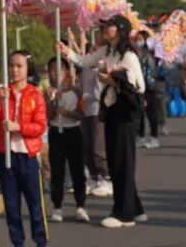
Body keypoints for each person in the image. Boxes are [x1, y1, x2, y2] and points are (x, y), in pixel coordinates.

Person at [57, 14, 147, 229]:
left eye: (109, 26)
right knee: (118, 159)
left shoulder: (128, 55)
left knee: (121, 162)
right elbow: (85, 61)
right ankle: (135, 208)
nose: (105, 29)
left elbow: (139, 86)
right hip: (113, 112)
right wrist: (66, 52)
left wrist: (112, 79)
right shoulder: (108, 52)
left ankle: (124, 214)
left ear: (121, 29)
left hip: (125, 115)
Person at [0, 51, 49, 246]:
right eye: (11, 65)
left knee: (35, 206)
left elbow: (40, 127)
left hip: (28, 158)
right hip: (6, 158)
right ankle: (17, 243)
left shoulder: (35, 95)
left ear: (27, 69)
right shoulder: (1, 94)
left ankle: (41, 242)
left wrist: (18, 127)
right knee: (11, 207)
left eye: (19, 66)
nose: (14, 70)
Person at [68, 28, 112, 197]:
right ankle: (94, 178)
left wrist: (86, 96)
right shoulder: (87, 63)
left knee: (97, 146)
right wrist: (74, 39)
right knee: (86, 146)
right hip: (86, 110)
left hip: (97, 109)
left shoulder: (101, 64)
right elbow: (80, 57)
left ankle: (106, 179)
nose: (92, 51)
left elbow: (100, 90)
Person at [45, 56, 89, 224]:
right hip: (56, 132)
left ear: (66, 71)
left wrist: (68, 113)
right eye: (51, 70)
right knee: (57, 172)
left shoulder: (76, 91)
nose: (55, 73)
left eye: (59, 69)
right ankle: (57, 207)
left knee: (77, 170)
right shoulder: (49, 92)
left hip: (73, 133)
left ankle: (80, 206)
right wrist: (52, 103)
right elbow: (48, 117)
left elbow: (81, 115)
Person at [137, 33, 165, 149]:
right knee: (140, 112)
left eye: (139, 39)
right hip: (140, 86)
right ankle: (141, 136)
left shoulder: (154, 53)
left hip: (151, 86)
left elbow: (158, 64)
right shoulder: (138, 53)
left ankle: (154, 138)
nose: (137, 41)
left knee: (151, 112)